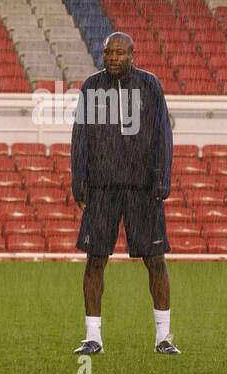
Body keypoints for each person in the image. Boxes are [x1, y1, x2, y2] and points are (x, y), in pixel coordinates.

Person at [70, 32, 178, 356]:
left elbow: (163, 134)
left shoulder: (149, 86)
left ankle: (163, 337)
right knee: (95, 261)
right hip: (102, 188)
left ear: (133, 54)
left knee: (155, 260)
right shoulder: (91, 87)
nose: (114, 58)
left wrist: (162, 178)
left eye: (120, 53)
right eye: (109, 53)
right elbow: (80, 136)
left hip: (142, 188)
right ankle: (93, 337)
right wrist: (80, 180)